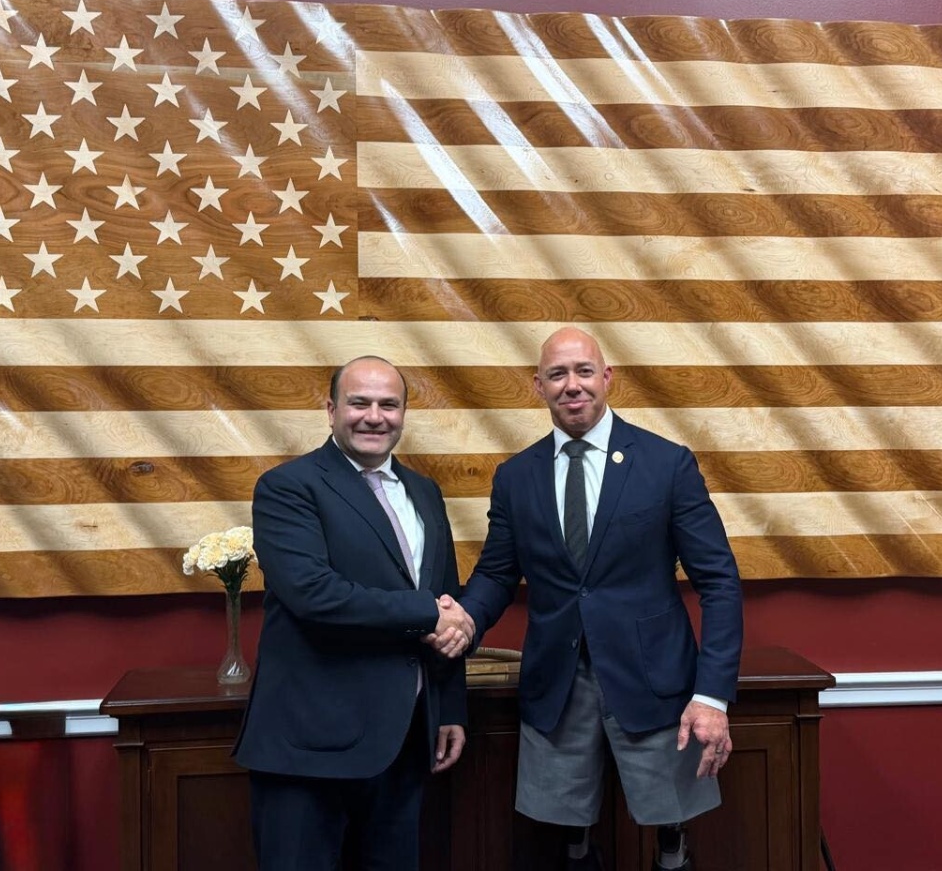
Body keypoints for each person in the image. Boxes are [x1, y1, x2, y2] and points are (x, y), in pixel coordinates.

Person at [446, 327, 743, 871]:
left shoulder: (667, 464)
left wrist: (713, 696)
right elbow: (496, 573)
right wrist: (465, 618)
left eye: (584, 371)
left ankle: (672, 854)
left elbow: (720, 581)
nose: (572, 385)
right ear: (538, 386)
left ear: (607, 378)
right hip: (558, 685)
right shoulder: (516, 477)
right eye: (557, 374)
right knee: (564, 839)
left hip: (655, 682)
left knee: (671, 835)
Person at [234, 355, 473, 871]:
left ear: (403, 413)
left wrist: (450, 706)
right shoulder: (288, 486)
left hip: (405, 741)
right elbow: (313, 594)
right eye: (359, 403)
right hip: (311, 745)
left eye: (389, 404)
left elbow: (446, 600)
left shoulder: (425, 492)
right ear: (331, 409)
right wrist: (427, 612)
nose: (374, 416)